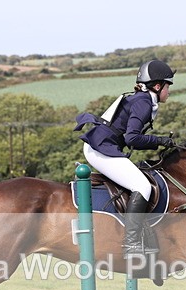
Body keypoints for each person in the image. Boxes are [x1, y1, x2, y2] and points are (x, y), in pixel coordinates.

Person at [74, 60, 176, 258]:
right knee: (143, 187)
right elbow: (132, 138)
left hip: (103, 145)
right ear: (157, 86)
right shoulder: (143, 103)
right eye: (168, 85)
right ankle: (131, 243)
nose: (169, 91)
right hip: (100, 148)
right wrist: (160, 140)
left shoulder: (142, 100)